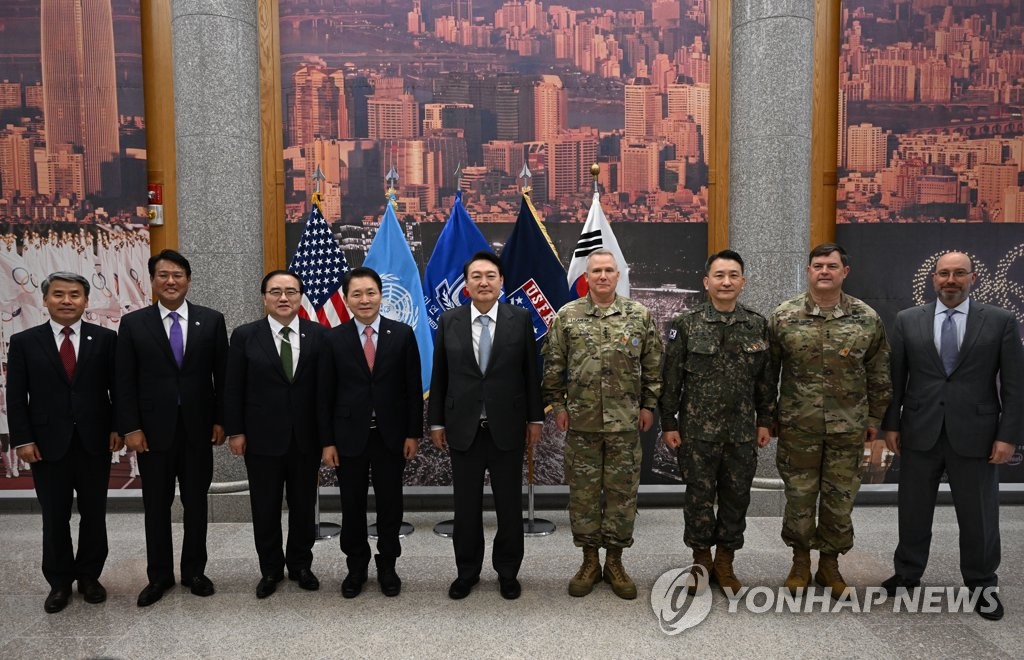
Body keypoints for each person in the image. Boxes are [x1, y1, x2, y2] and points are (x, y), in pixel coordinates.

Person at [880, 251, 1022, 621]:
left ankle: (981, 582)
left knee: (979, 513)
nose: (951, 280)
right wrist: (891, 426)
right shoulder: (908, 320)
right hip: (919, 430)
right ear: (934, 279)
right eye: (944, 273)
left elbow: (1015, 386)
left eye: (959, 273)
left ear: (973, 277)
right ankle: (908, 572)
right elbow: (895, 380)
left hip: (977, 433)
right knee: (912, 509)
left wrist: (1008, 436)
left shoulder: (1000, 321)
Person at [768, 242, 891, 597]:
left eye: (831, 266)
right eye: (818, 265)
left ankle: (830, 565)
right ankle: (800, 561)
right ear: (808, 271)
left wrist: (874, 417)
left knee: (839, 501)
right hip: (798, 427)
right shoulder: (785, 316)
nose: (824, 271)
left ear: (844, 272)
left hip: (847, 428)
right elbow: (768, 373)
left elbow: (879, 372)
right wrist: (769, 416)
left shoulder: (866, 318)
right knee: (800, 498)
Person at [542, 249, 663, 600]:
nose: (603, 276)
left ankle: (615, 561)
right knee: (583, 496)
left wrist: (649, 405)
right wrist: (559, 405)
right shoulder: (568, 316)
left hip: (625, 424)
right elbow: (553, 367)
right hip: (582, 424)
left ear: (618, 275)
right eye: (596, 271)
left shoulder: (638, 315)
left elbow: (653, 367)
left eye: (609, 270)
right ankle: (589, 560)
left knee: (622, 496)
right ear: (587, 275)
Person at [428, 251, 543, 600]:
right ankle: (467, 572)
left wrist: (535, 418)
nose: (483, 282)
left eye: (490, 276)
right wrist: (435, 422)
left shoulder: (519, 318)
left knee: (509, 506)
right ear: (466, 284)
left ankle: (508, 571)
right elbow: (440, 374)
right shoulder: (450, 320)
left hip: (507, 425)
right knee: (465, 508)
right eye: (476, 276)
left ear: (501, 282)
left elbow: (529, 372)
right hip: (463, 427)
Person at [116, 249, 228, 607]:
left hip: (198, 430)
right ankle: (159, 576)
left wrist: (221, 419)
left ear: (189, 280)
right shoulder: (134, 324)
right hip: (152, 433)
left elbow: (222, 378)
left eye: (177, 274)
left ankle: (195, 571)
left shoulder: (211, 321)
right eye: (163, 275)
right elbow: (124, 382)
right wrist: (130, 426)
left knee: (196, 504)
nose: (170, 281)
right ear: (152, 281)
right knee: (156, 506)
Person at [658, 250, 774, 595]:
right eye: (719, 275)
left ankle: (725, 561)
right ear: (706, 282)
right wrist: (669, 423)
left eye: (733, 275)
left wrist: (765, 420)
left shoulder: (756, 324)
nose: (726, 282)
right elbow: (672, 379)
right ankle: (700, 560)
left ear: (743, 282)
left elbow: (765, 381)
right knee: (698, 498)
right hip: (697, 435)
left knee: (736, 498)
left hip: (741, 433)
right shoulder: (686, 323)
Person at [7, 272, 120, 613]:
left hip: (94, 441)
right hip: (46, 443)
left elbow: (118, 388)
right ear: (45, 300)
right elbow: (15, 396)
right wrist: (22, 438)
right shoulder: (26, 341)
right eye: (59, 294)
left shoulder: (105, 339)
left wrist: (118, 427)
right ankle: (59, 582)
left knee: (94, 514)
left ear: (86, 300)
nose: (67, 301)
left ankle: (89, 576)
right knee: (54, 516)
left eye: (74, 295)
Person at [319, 267, 423, 598]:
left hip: (391, 437)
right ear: (347, 299)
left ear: (381, 295)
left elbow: (411, 388)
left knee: (391, 504)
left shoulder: (402, 334)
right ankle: (356, 567)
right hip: (348, 438)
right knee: (351, 505)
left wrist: (412, 433)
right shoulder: (332, 338)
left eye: (371, 293)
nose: (365, 300)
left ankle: (388, 565)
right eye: (357, 294)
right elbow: (325, 395)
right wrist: (327, 441)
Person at [224, 270, 325, 599]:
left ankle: (300, 564)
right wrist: (235, 431)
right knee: (264, 507)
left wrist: (326, 439)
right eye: (276, 291)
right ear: (264, 297)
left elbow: (326, 392)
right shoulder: (244, 336)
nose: (284, 298)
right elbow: (233, 387)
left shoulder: (318, 335)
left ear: (300, 297)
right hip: (261, 439)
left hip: (305, 439)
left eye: (291, 292)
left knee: (302, 505)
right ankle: (270, 569)